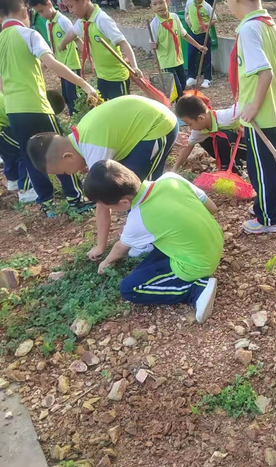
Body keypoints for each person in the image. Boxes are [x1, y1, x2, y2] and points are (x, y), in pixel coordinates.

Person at [26, 95, 179, 261]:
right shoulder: (82, 138)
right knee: (130, 187)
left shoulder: (94, 148)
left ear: (68, 157)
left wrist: (100, 246)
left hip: (157, 127)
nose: (69, 175)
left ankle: (151, 238)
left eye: (63, 172)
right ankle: (157, 225)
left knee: (133, 190)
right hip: (148, 125)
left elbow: (102, 205)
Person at [84, 160, 223, 324]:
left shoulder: (139, 218)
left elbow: (120, 249)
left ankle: (196, 289)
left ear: (123, 203)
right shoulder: (171, 179)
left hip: (197, 265)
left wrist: (106, 262)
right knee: (151, 244)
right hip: (215, 241)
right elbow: (212, 208)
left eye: (105, 206)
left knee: (130, 288)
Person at [0, 0, 97, 215]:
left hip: (14, 110)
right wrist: (84, 83)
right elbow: (52, 64)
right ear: (25, 11)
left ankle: (46, 203)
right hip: (37, 105)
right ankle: (75, 199)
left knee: (30, 155)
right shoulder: (29, 34)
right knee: (60, 148)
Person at [226, 0, 276, 234]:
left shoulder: (249, 29)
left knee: (259, 168)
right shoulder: (266, 23)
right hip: (273, 109)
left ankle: (268, 218)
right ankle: (273, 204)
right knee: (272, 166)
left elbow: (265, 73)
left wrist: (252, 107)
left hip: (260, 115)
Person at [58, 0, 142, 100]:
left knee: (120, 111)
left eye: (71, 6)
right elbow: (72, 32)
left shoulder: (102, 20)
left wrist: (134, 66)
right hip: (102, 77)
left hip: (116, 78)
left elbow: (123, 43)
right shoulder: (83, 22)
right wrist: (63, 43)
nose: (70, 11)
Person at [0, 89, 65, 198]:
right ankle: (26, 189)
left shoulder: (22, 96)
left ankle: (13, 180)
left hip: (4, 126)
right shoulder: (27, 108)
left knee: (10, 152)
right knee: (25, 151)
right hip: (2, 129)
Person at [28, 0, 83, 116]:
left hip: (71, 65)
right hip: (62, 66)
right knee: (67, 97)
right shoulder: (48, 23)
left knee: (74, 97)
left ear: (49, 4)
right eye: (39, 13)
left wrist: (88, 59)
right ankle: (74, 119)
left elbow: (77, 39)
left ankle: (80, 119)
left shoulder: (63, 21)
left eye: (42, 11)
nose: (42, 15)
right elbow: (52, 44)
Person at [173, 94, 245, 173]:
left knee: (220, 137)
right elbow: (187, 147)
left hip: (248, 145)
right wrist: (174, 169)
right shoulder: (199, 130)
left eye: (190, 124)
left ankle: (230, 167)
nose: (190, 128)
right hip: (234, 147)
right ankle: (228, 167)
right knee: (204, 140)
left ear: (201, 118)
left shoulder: (226, 117)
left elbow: (246, 101)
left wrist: (248, 129)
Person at [150, 0, 207, 98]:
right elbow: (153, 43)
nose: (159, 6)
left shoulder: (175, 17)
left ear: (167, 3)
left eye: (161, 3)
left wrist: (199, 46)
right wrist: (153, 45)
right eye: (155, 4)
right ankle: (180, 109)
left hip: (178, 60)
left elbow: (184, 35)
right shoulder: (154, 25)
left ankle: (177, 103)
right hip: (166, 62)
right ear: (151, 7)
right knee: (178, 90)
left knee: (183, 84)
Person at [185, 0, 216, 88]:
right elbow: (186, 14)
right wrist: (188, 21)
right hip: (193, 34)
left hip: (204, 35)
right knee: (191, 55)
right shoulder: (189, 3)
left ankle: (207, 78)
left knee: (206, 56)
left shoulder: (207, 7)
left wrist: (205, 25)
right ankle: (192, 76)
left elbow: (214, 19)